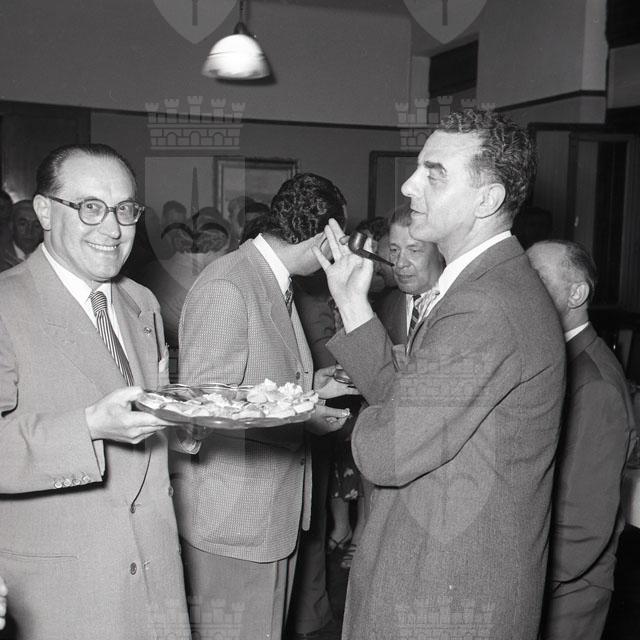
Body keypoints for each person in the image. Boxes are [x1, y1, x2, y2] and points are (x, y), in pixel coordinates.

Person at [314, 109, 566, 639]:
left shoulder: (484, 306)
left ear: (487, 200)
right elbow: (409, 406)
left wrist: (327, 419)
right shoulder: (483, 286)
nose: (409, 185)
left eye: (434, 173)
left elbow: (386, 451)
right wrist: (353, 304)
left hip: (442, 598)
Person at [0, 143, 190, 640]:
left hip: (157, 575)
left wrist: (192, 422)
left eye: (125, 210)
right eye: (90, 207)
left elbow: (151, 418)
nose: (112, 229)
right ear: (44, 211)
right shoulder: (6, 305)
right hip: (65, 591)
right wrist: (88, 427)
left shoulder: (141, 301)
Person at [173, 172, 355, 640]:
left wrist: (312, 387)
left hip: (269, 515)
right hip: (236, 521)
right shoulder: (230, 285)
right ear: (324, 238)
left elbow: (254, 382)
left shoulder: (271, 278)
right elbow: (201, 409)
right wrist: (303, 414)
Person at [526, 240, 634, 640]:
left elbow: (583, 526)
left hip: (565, 592)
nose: (523, 287)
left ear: (577, 294)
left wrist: (524, 585)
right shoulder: (554, 357)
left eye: (536, 278)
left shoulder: (594, 381)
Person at [374, 203, 444, 345]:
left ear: (440, 251)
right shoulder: (383, 306)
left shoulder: (464, 303)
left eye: (414, 250)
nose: (400, 263)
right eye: (394, 250)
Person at [0, 199, 43, 272]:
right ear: (11, 226)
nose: (29, 231)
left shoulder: (48, 258)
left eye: (36, 225)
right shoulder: (2, 257)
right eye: (23, 224)